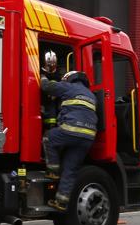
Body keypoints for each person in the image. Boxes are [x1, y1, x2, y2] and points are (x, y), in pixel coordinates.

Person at [41, 70, 98, 212]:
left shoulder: (69, 87)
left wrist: (41, 76)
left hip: (71, 129)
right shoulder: (92, 95)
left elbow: (47, 87)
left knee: (49, 137)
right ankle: (61, 202)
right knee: (70, 169)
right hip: (88, 136)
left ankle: (53, 171)